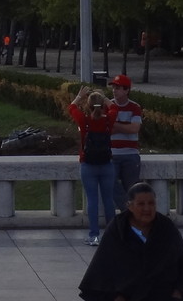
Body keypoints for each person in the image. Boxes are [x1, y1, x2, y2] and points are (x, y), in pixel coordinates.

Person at [78, 182, 183, 301]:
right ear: (130, 206)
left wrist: (178, 292)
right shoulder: (118, 229)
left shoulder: (166, 227)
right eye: (141, 204)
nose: (147, 208)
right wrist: (115, 296)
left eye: (151, 203)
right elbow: (102, 268)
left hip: (163, 294)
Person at [68, 85, 117, 246]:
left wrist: (79, 96)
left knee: (92, 200)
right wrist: (103, 98)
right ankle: (112, 234)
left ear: (88, 106)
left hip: (88, 164)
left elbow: (72, 107)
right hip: (106, 164)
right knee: (109, 200)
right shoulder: (108, 120)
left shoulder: (84, 121)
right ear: (102, 105)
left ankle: (94, 235)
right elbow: (115, 107)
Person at [108, 74, 143, 209]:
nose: (114, 90)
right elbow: (106, 130)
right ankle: (128, 211)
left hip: (131, 154)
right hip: (112, 154)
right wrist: (124, 126)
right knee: (110, 183)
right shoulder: (108, 106)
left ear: (126, 90)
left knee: (132, 188)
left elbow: (134, 128)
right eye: (114, 87)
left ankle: (131, 214)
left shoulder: (135, 107)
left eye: (118, 87)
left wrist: (115, 124)